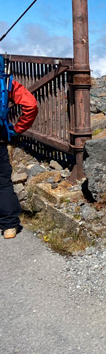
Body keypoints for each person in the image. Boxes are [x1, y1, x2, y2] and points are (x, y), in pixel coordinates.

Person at [0, 57, 38, 239]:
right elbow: (31, 105)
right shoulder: (6, 81)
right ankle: (9, 226)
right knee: (3, 182)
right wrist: (17, 128)